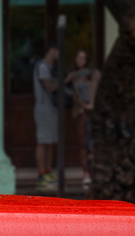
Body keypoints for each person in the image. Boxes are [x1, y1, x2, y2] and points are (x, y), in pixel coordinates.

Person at [65, 49, 100, 188]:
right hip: (80, 110)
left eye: (83, 58)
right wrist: (83, 105)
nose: (80, 61)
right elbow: (69, 90)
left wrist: (92, 103)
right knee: (83, 142)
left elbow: (97, 88)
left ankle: (95, 170)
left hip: (93, 110)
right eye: (78, 58)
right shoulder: (73, 76)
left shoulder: (94, 74)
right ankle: (85, 172)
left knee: (94, 142)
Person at [33, 46, 60, 190]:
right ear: (52, 50)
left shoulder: (52, 67)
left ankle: (48, 170)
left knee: (51, 141)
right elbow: (49, 86)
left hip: (52, 109)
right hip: (44, 109)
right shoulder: (43, 67)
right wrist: (64, 81)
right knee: (43, 141)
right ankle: (41, 173)